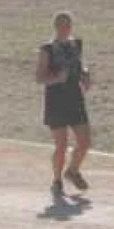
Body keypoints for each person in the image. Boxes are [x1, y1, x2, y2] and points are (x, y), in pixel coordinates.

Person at [37, 11, 92, 200]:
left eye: (67, 25)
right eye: (61, 25)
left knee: (85, 142)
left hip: (75, 98)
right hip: (56, 100)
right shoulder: (47, 49)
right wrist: (56, 78)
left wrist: (85, 75)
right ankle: (56, 180)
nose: (65, 28)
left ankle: (73, 170)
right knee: (61, 145)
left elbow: (81, 64)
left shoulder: (76, 45)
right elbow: (39, 77)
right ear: (56, 27)